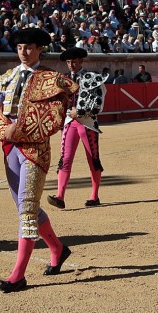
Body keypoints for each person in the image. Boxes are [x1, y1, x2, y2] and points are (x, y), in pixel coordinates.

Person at [0, 28, 78, 293]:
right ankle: (58, 249)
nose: (23, 52)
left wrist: (21, 129)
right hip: (10, 148)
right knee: (25, 207)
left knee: (27, 209)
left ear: (39, 49)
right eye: (19, 48)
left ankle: (18, 275)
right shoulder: (8, 77)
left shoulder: (50, 79)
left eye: (28, 47)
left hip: (35, 149)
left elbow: (56, 115)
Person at [48, 48, 109, 209]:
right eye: (68, 62)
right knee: (65, 159)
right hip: (70, 122)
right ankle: (60, 196)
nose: (71, 65)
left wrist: (80, 111)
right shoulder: (64, 80)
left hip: (87, 123)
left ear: (81, 61)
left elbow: (98, 104)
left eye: (74, 61)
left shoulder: (93, 78)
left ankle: (94, 196)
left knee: (93, 159)